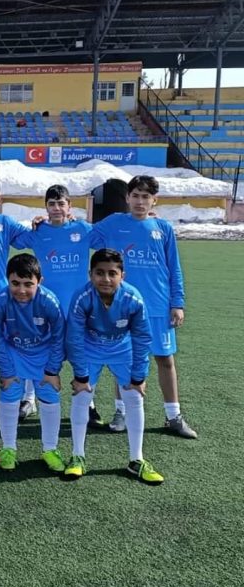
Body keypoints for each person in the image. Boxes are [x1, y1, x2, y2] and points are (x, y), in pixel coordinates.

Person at [90, 175, 197, 439]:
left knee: (165, 359)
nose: (140, 201)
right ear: (127, 198)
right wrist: (63, 219)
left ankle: (173, 416)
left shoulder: (163, 228)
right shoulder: (114, 223)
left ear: (154, 200)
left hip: (158, 306)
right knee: (124, 360)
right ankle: (122, 412)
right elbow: (84, 237)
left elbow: (174, 268)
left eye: (146, 196)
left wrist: (177, 303)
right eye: (136, 196)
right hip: (123, 306)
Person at [63, 249, 164, 485]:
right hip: (90, 348)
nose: (106, 279)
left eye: (112, 273)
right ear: (90, 274)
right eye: (99, 273)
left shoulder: (133, 298)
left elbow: (142, 338)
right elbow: (74, 338)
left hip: (122, 348)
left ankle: (136, 460)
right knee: (82, 395)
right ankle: (77, 456)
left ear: (122, 276)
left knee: (134, 397)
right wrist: (81, 375)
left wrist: (139, 377)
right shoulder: (82, 297)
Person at [13, 184, 95, 423]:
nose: (57, 208)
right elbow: (13, 238)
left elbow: (110, 235)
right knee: (37, 350)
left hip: (78, 307)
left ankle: (88, 402)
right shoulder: (39, 232)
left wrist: (144, 216)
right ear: (45, 207)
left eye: (61, 203)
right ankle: (29, 399)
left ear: (70, 206)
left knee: (83, 353)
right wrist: (33, 223)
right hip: (45, 306)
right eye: (52, 204)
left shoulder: (83, 229)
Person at [0, 254, 66, 473]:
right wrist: (6, 371)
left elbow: (59, 337)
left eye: (28, 284)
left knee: (49, 395)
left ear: (40, 281)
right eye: (15, 283)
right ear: (7, 280)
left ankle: (50, 449)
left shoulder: (49, 301)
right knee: (10, 393)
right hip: (14, 352)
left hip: (43, 354)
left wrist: (52, 370)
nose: (21, 290)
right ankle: (8, 448)